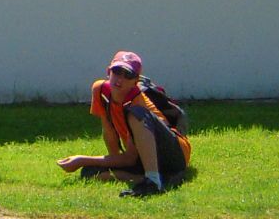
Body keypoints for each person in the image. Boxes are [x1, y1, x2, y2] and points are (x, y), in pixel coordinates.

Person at [56, 50, 192, 197]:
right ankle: (160, 179)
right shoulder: (100, 90)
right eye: (116, 72)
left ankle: (153, 181)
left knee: (136, 113)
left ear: (136, 81)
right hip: (143, 157)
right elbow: (109, 133)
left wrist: (81, 159)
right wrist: (112, 159)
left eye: (128, 75)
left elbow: (129, 159)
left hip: (174, 153)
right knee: (89, 172)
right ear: (108, 72)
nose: (120, 79)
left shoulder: (136, 101)